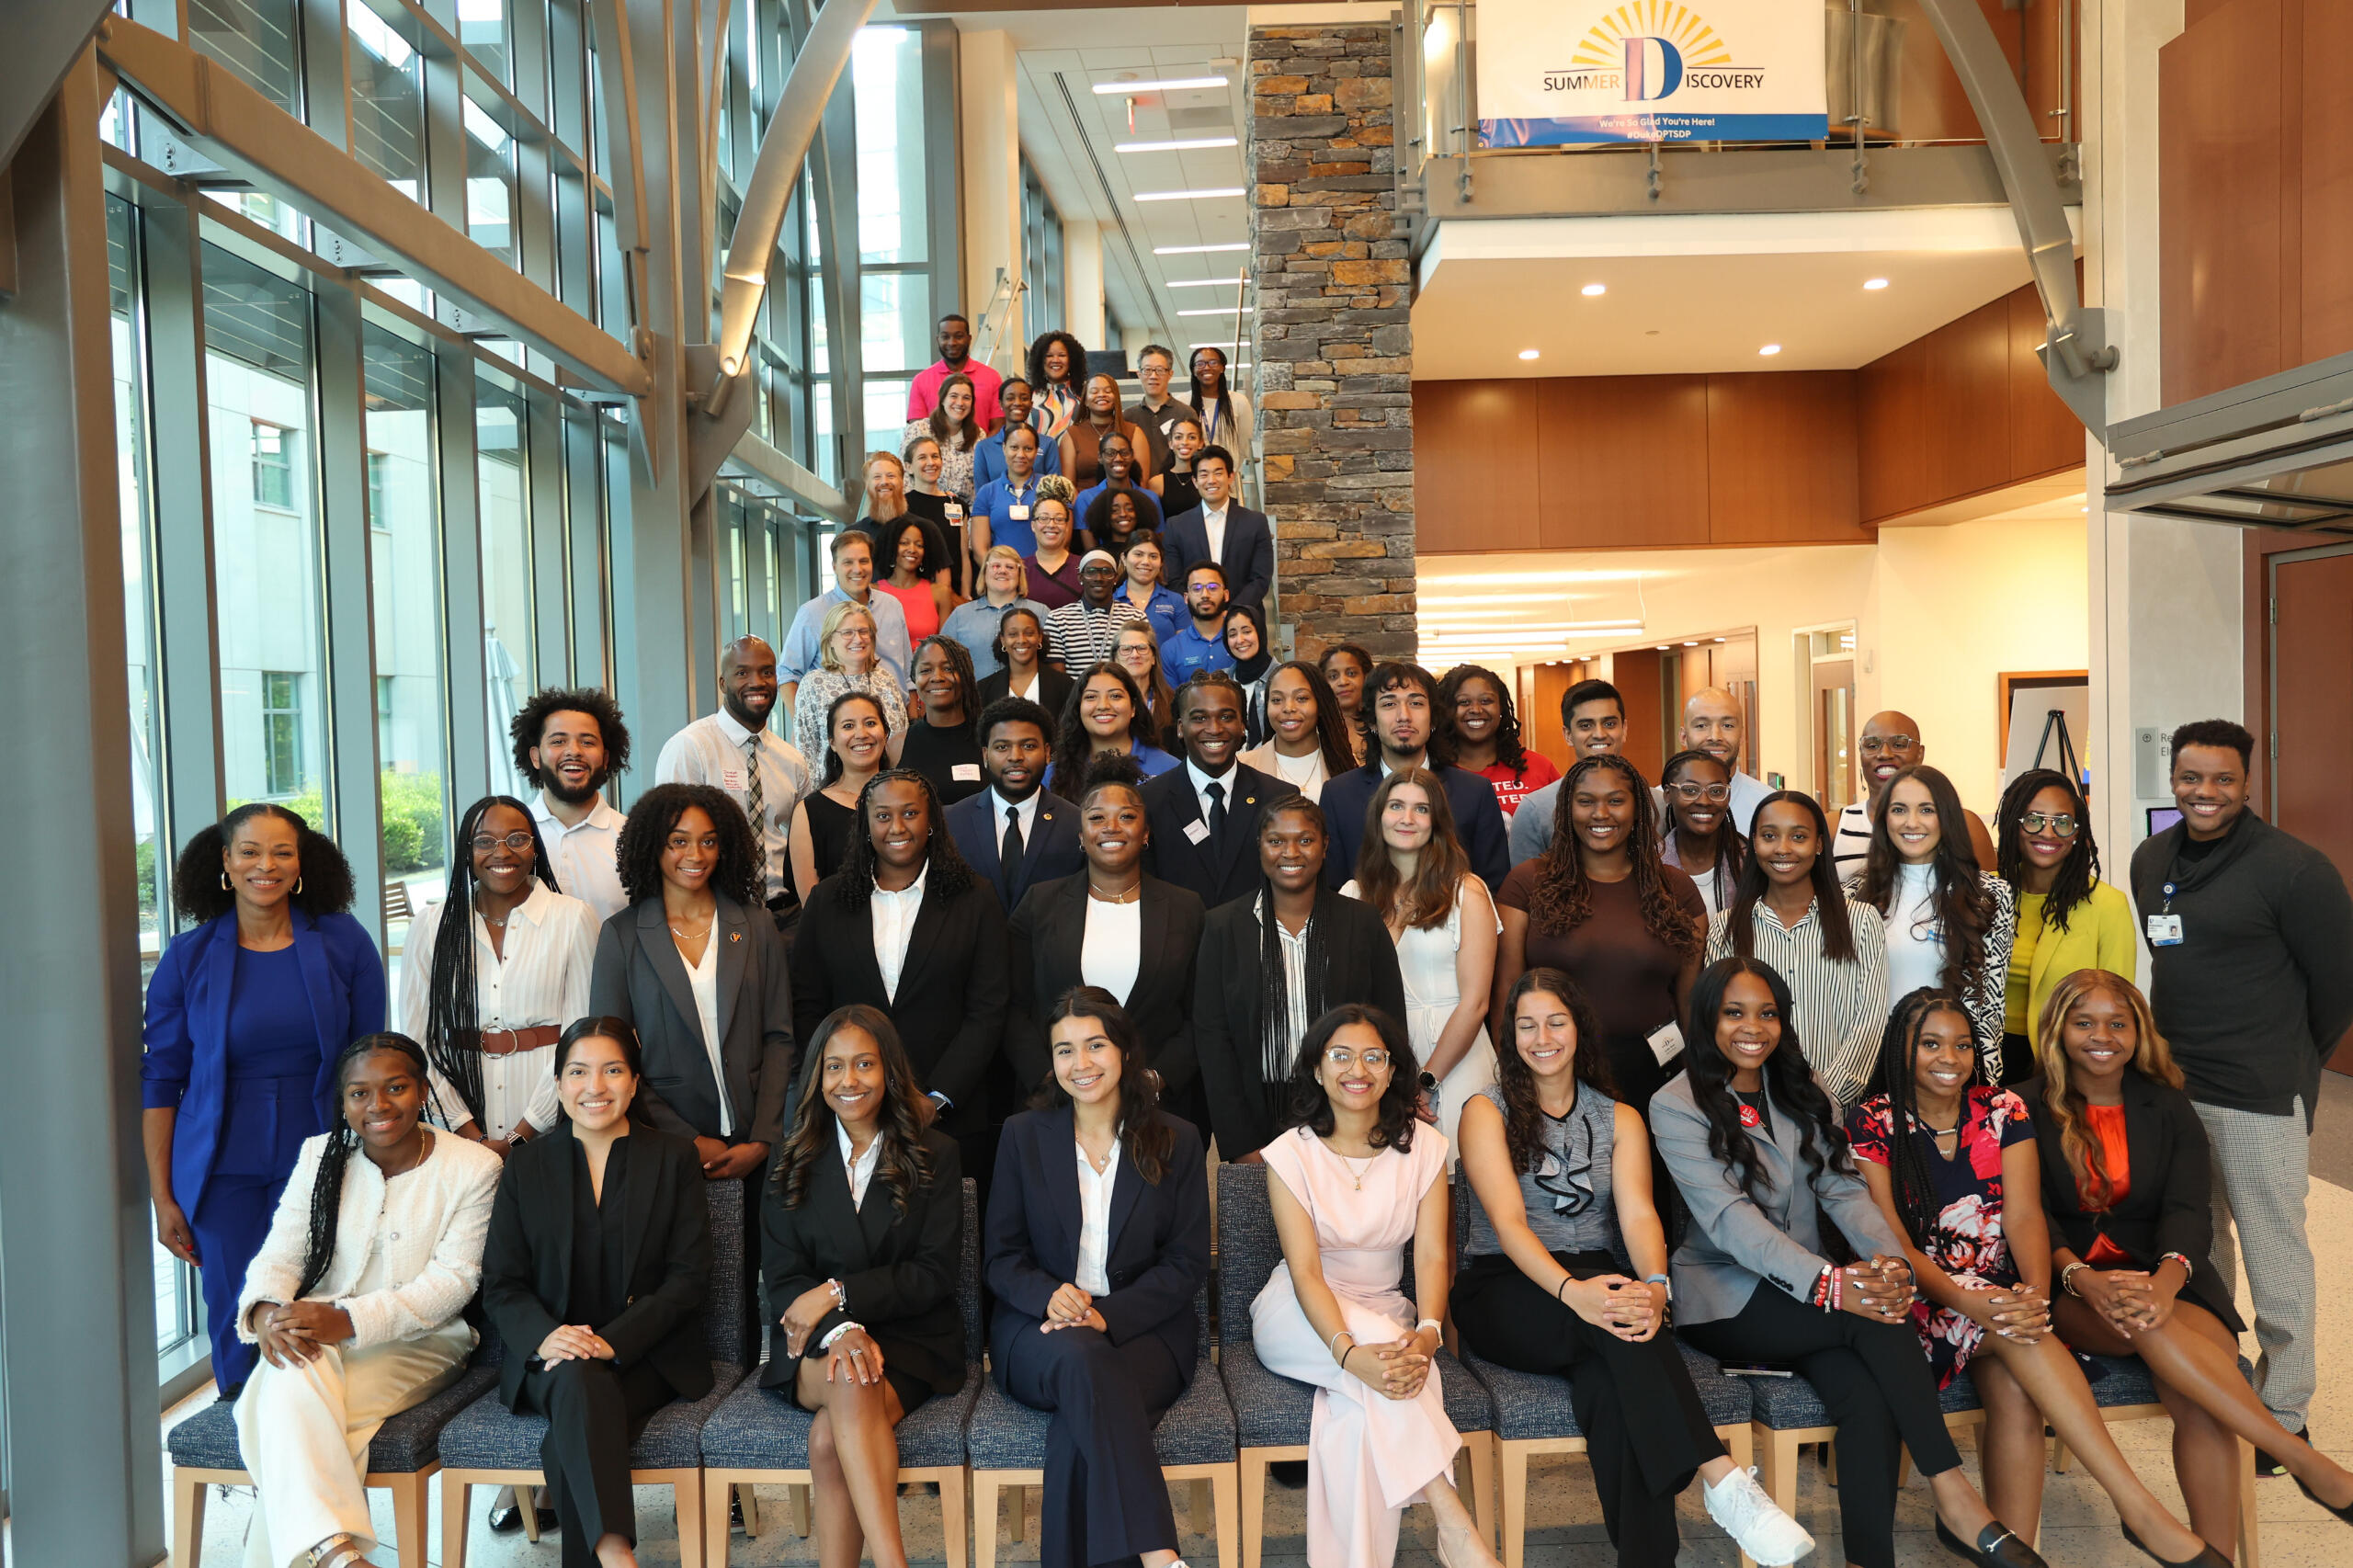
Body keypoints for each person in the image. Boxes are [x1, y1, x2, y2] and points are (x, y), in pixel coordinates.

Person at [1655, 959, 2048, 1568]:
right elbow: (1731, 1223)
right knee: (1876, 1319)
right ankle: (1953, 1494)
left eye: (1767, 1013)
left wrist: (1889, 1263)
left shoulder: (1799, 1085)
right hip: (1727, 1296)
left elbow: (1841, 1186)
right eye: (1734, 1013)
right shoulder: (1675, 1103)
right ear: (1706, 1019)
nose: (1752, 1027)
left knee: (1868, 1395)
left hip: (1811, 1299)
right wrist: (1834, 1285)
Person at [1847, 990, 2225, 1565]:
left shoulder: (2003, 1109)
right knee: (2021, 1334)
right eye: (1930, 1044)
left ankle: (2013, 1551)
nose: (1949, 1057)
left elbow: (2023, 1216)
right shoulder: (1872, 1120)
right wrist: (1971, 1301)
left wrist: (2035, 1295)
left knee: (2017, 1386)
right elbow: (1893, 1241)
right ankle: (2139, 1510)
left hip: (2004, 1297)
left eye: (1962, 1045)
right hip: (1922, 1296)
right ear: (1901, 1049)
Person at [1454, 971, 1815, 1568]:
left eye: (1556, 1022)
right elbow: (1510, 1225)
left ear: (1579, 1028)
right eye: (1526, 1026)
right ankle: (1722, 1477)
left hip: (1599, 1277)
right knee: (1618, 1324)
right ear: (1511, 1037)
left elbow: (1640, 1214)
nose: (1542, 1038)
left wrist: (1654, 1286)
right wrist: (1574, 1293)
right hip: (1503, 1285)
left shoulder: (1619, 1117)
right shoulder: (1484, 1111)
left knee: (1613, 1390)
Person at [2027, 969, 2353, 1551]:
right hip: (2072, 1283)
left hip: (2170, 1275)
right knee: (2148, 1325)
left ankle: (2214, 1558)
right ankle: (2300, 1460)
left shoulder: (2169, 1104)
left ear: (2139, 1032)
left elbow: (2188, 1211)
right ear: (2057, 1030)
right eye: (2084, 1022)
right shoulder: (2021, 1106)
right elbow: (2028, 1213)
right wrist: (2082, 1277)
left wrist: (2164, 1283)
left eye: (2118, 1023)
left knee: (2199, 1400)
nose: (2102, 1036)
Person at [2128, 718, 2353, 1447]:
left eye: (2223, 779)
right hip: (2173, 1088)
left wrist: (2291, 1058)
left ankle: (2285, 1416)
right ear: (2173, 779)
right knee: (2197, 1245)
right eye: (2191, 777)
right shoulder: (2150, 858)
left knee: (2273, 1251)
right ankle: (2218, 1379)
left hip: (2259, 1093)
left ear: (2247, 783)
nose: (2207, 792)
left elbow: (2338, 989)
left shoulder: (2296, 870)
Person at [231, 1034, 502, 1568]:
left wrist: (346, 1319)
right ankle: (338, 1554)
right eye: (359, 1093)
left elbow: (453, 1282)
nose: (377, 1105)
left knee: (275, 1404)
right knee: (301, 1393)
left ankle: (314, 1548)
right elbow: (282, 1252)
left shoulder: (473, 1167)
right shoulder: (321, 1155)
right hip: (315, 1332)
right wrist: (265, 1313)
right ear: (344, 1101)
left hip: (424, 1341)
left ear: (422, 1090)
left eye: (395, 1088)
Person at [143, 804, 381, 1394]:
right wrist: (162, 1196)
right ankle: (242, 1431)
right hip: (221, 1161)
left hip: (321, 1147)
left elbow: (373, 1059)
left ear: (301, 864)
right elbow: (161, 1079)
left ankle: (310, 1427)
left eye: (281, 852)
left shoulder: (343, 941)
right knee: (236, 1305)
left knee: (316, 1299)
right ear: (225, 862)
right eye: (249, 851)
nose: (265, 865)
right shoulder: (188, 955)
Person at [1251, 1007, 1500, 1568]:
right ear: (1317, 1071)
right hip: (1299, 1310)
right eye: (1340, 1056)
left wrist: (1430, 1331)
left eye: (1373, 1057)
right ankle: (1453, 1523)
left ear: (1392, 1072)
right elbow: (1305, 1272)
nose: (1357, 1070)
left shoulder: (1426, 1147)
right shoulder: (1290, 1153)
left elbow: (1432, 1255)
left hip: (1386, 1310)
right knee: (1390, 1367)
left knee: (1359, 1413)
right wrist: (1347, 1352)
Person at [985, 990, 1212, 1568]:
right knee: (1082, 1362)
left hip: (1146, 1330)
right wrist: (1049, 1297)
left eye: (1095, 1046)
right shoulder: (1022, 1135)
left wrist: (1106, 1316)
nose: (1080, 1063)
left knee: (1079, 1421)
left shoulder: (1178, 1139)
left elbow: (1186, 1263)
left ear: (1125, 1052)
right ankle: (1160, 1556)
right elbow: (1001, 1257)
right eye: (1065, 1050)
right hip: (1038, 1330)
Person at [480, 1018, 713, 1568]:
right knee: (577, 1379)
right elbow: (502, 1283)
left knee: (574, 1419)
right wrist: (547, 1336)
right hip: (549, 1356)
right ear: (559, 1084)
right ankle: (616, 1554)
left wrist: (613, 1342)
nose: (595, 1087)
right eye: (578, 1072)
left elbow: (688, 1279)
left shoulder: (674, 1158)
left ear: (634, 1082)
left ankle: (611, 1556)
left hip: (647, 1355)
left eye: (612, 1071)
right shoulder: (526, 1166)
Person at [761, 1006, 966, 1568]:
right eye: (834, 1066)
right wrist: (840, 1327)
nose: (848, 1080)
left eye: (864, 1064)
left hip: (912, 1343)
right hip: (812, 1341)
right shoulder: (789, 1156)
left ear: (890, 1070)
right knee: (850, 1371)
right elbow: (783, 1277)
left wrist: (837, 1293)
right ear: (817, 1076)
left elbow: (933, 1274)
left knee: (830, 1440)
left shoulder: (935, 1154)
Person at [791, 770, 1009, 1146]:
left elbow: (988, 1010)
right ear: (866, 825)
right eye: (882, 816)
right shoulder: (827, 901)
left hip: (949, 1119)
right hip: (849, 1115)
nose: (897, 827)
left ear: (931, 821)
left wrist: (938, 1098)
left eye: (910, 813)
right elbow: (807, 1005)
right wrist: (841, 1086)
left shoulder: (975, 898)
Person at [588, 785, 794, 1179]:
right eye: (678, 841)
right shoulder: (622, 936)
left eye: (708, 841)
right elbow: (610, 1058)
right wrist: (687, 1139)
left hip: (757, 1141)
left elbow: (780, 1038)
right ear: (654, 846)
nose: (696, 855)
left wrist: (764, 1139)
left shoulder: (756, 925)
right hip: (664, 1144)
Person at [1193, 799, 1406, 1162]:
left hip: (1349, 1105)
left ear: (1325, 845)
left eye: (1305, 840)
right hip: (1257, 1114)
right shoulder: (1222, 926)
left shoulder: (1362, 922)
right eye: (1276, 841)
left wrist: (1380, 1116)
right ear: (1260, 846)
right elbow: (1213, 1039)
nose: (1290, 852)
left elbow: (1391, 1026)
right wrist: (1242, 1144)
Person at [1492, 755, 1704, 1119]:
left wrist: (1699, 1081)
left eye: (1616, 800)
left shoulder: (1676, 889)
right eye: (1586, 801)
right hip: (1553, 1073)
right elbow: (1506, 990)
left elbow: (1690, 1000)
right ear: (1567, 809)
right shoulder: (1528, 883)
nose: (1600, 813)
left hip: (1658, 1078)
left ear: (1637, 808)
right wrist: (1513, 1080)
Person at [1007, 756, 1209, 1128]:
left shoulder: (1186, 908)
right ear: (1081, 836)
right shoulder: (1040, 904)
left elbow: (1202, 1012)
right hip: (1058, 1104)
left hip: (1158, 1109)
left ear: (1145, 833)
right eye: (1097, 817)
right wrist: (1050, 1075)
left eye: (1127, 817)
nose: (1111, 827)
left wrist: (1157, 1079)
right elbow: (1011, 1005)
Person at [400, 796, 598, 1150]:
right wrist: (466, 1132)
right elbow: (419, 1044)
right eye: (484, 841)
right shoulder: (431, 927)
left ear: (535, 848)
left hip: (552, 1122)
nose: (502, 852)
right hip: (456, 1128)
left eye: (517, 839)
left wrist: (522, 1134)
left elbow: (579, 1037)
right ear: (466, 851)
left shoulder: (574, 918)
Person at [1341, 769, 1499, 1151]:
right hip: (1379, 1065)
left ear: (1437, 821)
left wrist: (1426, 1080)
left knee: (1461, 1175)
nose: (1407, 818)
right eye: (1396, 806)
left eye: (1421, 809)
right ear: (1379, 815)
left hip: (1457, 1060)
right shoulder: (1353, 895)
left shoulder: (1467, 892)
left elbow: (1476, 1002)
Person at [1706, 790, 1890, 1111]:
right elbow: (1718, 1022)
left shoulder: (1860, 921)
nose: (1783, 848)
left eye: (1798, 837)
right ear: (1754, 843)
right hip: (1756, 1112)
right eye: (1769, 836)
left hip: (1838, 1111)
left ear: (1819, 844)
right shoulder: (1726, 927)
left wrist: (1823, 1098)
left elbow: (1870, 1024)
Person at [1850, 764, 2017, 1076]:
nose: (1911, 822)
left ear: (1947, 817)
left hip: (1949, 1068)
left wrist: (1983, 1084)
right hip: (1871, 1068)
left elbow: (1990, 1006)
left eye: (1926, 810)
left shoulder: (1989, 896)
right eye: (1899, 810)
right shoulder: (1854, 895)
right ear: (1884, 818)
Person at [655, 635, 817, 933]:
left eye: (766, 672)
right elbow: (671, 840)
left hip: (785, 917)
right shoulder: (690, 748)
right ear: (723, 683)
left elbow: (805, 842)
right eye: (742, 673)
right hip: (717, 916)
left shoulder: (792, 760)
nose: (757, 682)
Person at [1993, 767, 2137, 1078]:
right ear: (2013, 824)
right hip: (1982, 1060)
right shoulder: (1983, 894)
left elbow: (2117, 1008)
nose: (2048, 833)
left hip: (2063, 1065)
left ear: (2077, 833)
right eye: (2033, 820)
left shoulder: (2107, 905)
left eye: (2062, 822)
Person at [1322, 662, 1511, 894]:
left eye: (1416, 703)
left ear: (1433, 719)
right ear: (1372, 720)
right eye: (1389, 704)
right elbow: (1332, 890)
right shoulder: (1338, 795)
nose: (1404, 716)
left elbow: (1493, 888)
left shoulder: (1475, 792)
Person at [1140, 670, 1302, 913]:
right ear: (1181, 728)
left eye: (1226, 717)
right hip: (1180, 935)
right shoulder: (1149, 801)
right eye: (1199, 718)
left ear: (1243, 725)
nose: (1214, 728)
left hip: (1257, 934)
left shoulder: (1279, 798)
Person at [947, 697, 1085, 915]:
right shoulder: (952, 822)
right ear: (985, 756)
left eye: (1028, 746)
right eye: (1002, 747)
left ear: (1047, 753)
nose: (1015, 757)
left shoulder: (1076, 824)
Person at [513, 687, 633, 924]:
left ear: (605, 759)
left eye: (587, 742)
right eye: (558, 741)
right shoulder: (512, 837)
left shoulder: (633, 839)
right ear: (535, 757)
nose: (574, 751)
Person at [1829, 711, 1997, 878]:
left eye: (1899, 744)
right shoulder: (1834, 827)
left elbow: (1987, 891)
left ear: (1920, 754)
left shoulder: (1966, 824)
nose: (1884, 754)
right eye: (1872, 746)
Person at [778, 531, 914, 703]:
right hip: (837, 718)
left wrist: (914, 715)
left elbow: (908, 674)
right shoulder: (812, 613)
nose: (857, 569)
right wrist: (802, 718)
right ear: (834, 566)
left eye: (863, 561)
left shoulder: (892, 606)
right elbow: (788, 674)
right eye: (848, 562)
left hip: (896, 714)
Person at [1507, 678, 1629, 867]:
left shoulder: (1656, 804)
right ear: (1568, 735)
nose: (1599, 734)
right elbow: (1523, 881)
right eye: (1586, 726)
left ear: (1624, 729)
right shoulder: (1535, 810)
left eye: (1609, 724)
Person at [790, 691, 892, 903]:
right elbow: (811, 905)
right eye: (848, 726)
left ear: (885, 734)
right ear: (833, 742)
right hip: (838, 923)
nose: (861, 734)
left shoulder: (910, 799)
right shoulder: (809, 812)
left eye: (870, 723)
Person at [791, 600, 909, 768]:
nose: (858, 639)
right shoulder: (813, 685)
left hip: (885, 781)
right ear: (830, 639)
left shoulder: (886, 680)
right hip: (832, 782)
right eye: (847, 633)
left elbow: (901, 741)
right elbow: (806, 750)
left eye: (863, 631)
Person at [1438, 665, 1559, 821]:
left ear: (1501, 707)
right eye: (1464, 702)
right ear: (1446, 710)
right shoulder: (1434, 771)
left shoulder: (1539, 766)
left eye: (1486, 701)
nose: (1476, 709)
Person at [1160, 446, 1272, 609]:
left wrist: (1234, 614)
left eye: (1218, 473)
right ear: (1195, 481)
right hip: (1194, 619)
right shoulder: (1176, 526)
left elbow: (1260, 578)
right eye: (1204, 474)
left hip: (1244, 618)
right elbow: (1174, 580)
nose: (1211, 480)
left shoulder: (1255, 522)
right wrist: (1201, 613)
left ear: (1230, 477)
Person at [1646, 687, 1770, 834]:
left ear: (1742, 736)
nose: (1715, 736)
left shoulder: (1767, 805)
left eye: (1727, 726)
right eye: (1701, 726)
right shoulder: (1654, 806)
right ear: (1683, 736)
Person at [1048, 662, 1180, 794]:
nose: (1103, 705)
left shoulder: (1170, 769)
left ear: (1133, 707)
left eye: (1115, 696)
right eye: (1091, 697)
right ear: (1078, 708)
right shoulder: (1053, 773)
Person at [1238, 660, 1357, 804]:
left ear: (1320, 704)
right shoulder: (1242, 768)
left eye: (1301, 698)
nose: (1288, 708)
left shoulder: (1348, 765)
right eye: (1277, 700)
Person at [856, 449, 957, 601]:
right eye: (877, 477)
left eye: (891, 476)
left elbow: (944, 587)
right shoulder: (855, 533)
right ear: (867, 484)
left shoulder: (926, 529)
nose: (884, 481)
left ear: (902, 482)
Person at [895, 635, 986, 804]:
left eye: (948, 668)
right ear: (914, 679)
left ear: (966, 676)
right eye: (925, 670)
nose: (937, 677)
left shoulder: (990, 739)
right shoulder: (897, 745)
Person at [1656, 748, 1745, 916]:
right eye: (1690, 790)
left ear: (1728, 795)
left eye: (1716, 791)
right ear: (1668, 794)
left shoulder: (1748, 861)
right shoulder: (1649, 863)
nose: (1704, 801)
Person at [940, 547, 1048, 681]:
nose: (1002, 571)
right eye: (996, 566)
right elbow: (942, 658)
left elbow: (1052, 661)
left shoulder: (1040, 612)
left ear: (1019, 575)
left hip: (1027, 693)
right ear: (984, 573)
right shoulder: (961, 615)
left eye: (1010, 567)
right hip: (974, 694)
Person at [1045, 551, 1149, 671]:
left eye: (1106, 572)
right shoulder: (1057, 619)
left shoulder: (1136, 617)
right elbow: (1057, 676)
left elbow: (1141, 667)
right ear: (1080, 577)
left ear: (1115, 578)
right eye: (1091, 572)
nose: (1099, 578)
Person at [906, 311, 1004, 427]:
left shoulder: (992, 377)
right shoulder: (921, 381)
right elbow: (917, 430)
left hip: (981, 439)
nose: (952, 343)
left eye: (959, 336)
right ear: (938, 340)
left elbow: (999, 428)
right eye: (945, 337)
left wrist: (980, 441)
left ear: (969, 339)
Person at [972, 424, 1049, 563]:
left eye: (1028, 449)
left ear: (1036, 451)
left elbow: (1063, 541)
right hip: (1000, 573)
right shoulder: (987, 492)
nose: (1021, 455)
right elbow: (980, 550)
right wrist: (998, 573)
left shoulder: (1050, 487)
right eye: (1014, 447)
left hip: (1043, 572)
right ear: (1004, 448)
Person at [973, 605, 1073, 715]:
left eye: (1029, 633)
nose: (1021, 640)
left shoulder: (1065, 685)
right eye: (1013, 634)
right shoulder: (984, 689)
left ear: (1039, 637)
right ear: (1003, 640)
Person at [1061, 372, 1149, 490]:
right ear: (1085, 400)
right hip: (1084, 500)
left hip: (1126, 499)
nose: (1101, 395)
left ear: (1116, 398)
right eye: (1094, 392)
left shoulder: (1134, 432)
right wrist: (1084, 501)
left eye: (1108, 391)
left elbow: (1141, 482)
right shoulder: (1072, 435)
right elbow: (1068, 486)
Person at [904, 372, 983, 504]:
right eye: (953, 396)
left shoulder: (979, 436)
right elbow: (905, 477)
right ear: (942, 399)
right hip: (923, 508)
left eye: (966, 398)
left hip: (965, 511)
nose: (960, 403)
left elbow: (979, 485)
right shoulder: (918, 430)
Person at [1074, 433, 1165, 545]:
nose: (1118, 458)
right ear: (1100, 457)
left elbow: (1158, 543)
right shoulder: (1086, 498)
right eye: (1110, 453)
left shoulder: (1150, 497)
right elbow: (1090, 550)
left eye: (1124, 453)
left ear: (1132, 455)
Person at [873, 516, 952, 645]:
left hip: (926, 658)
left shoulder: (940, 593)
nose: (912, 549)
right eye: (904, 543)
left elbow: (946, 648)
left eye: (919, 545)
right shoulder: (873, 592)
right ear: (891, 547)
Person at [972, 377, 1063, 490]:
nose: (1017, 403)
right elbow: (982, 494)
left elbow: (1055, 490)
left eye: (1024, 398)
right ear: (1000, 404)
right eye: (1010, 398)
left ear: (1031, 405)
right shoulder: (984, 447)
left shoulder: (1048, 444)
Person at [1160, 561, 1237, 686]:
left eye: (1213, 587)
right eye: (1196, 589)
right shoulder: (1171, 649)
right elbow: (1169, 696)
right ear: (1186, 598)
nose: (1205, 595)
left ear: (1226, 594)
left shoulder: (1242, 641)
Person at [1113, 622, 1183, 753]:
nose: (1135, 655)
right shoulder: (1106, 704)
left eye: (1142, 648)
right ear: (1115, 658)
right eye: (1126, 649)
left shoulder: (1174, 703)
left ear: (1153, 658)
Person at [1188, 346, 1254, 479]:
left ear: (1222, 368)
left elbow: (1245, 446)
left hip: (1227, 480)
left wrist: (1232, 474)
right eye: (1200, 364)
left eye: (1213, 362)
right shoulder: (1183, 402)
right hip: (1194, 479)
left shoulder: (1238, 401)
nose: (1207, 367)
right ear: (1193, 370)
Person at [1019, 482, 1085, 612]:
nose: (1051, 525)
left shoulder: (1083, 567)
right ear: (1033, 526)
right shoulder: (1019, 569)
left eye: (1059, 519)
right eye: (1044, 518)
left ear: (1067, 526)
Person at [1115, 530, 1188, 642]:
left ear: (1161, 562)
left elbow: (1184, 647)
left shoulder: (1175, 601)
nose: (1146, 562)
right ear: (1124, 559)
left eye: (1153, 556)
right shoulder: (1112, 600)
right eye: (1138, 554)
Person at [1125, 343, 1185, 474]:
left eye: (1160, 370)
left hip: (1176, 484)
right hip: (1137, 486)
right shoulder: (1127, 417)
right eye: (1147, 370)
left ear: (1170, 374)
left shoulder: (1185, 413)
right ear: (1139, 374)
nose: (1153, 376)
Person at [1223, 604, 1276, 744]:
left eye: (1246, 631)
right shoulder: (1221, 681)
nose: (1240, 640)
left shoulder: (1282, 677)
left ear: (1260, 632)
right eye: (1232, 634)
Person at [1026, 330, 1086, 447]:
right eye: (1049, 355)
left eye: (1062, 355)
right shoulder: (1028, 394)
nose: (1055, 360)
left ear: (1072, 360)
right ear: (1040, 360)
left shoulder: (1085, 394)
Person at [1316, 643, 1372, 764]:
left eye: (1351, 673)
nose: (1342, 682)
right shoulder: (1316, 732)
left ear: (1366, 677)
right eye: (1333, 676)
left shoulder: (1381, 727)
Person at [1152, 412, 1205, 520]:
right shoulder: (1157, 483)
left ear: (1200, 443)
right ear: (1170, 443)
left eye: (1192, 437)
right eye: (1178, 437)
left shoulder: (1207, 478)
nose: (1184, 442)